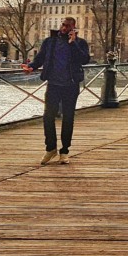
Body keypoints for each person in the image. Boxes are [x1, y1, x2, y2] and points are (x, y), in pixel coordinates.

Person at [23, 17, 90, 165]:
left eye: (67, 26)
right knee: (48, 116)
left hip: (71, 85)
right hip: (53, 83)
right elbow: (40, 58)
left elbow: (85, 59)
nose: (64, 28)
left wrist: (73, 44)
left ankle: (64, 151)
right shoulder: (50, 41)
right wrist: (32, 67)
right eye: (63, 25)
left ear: (74, 28)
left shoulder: (80, 43)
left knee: (68, 118)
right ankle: (51, 148)